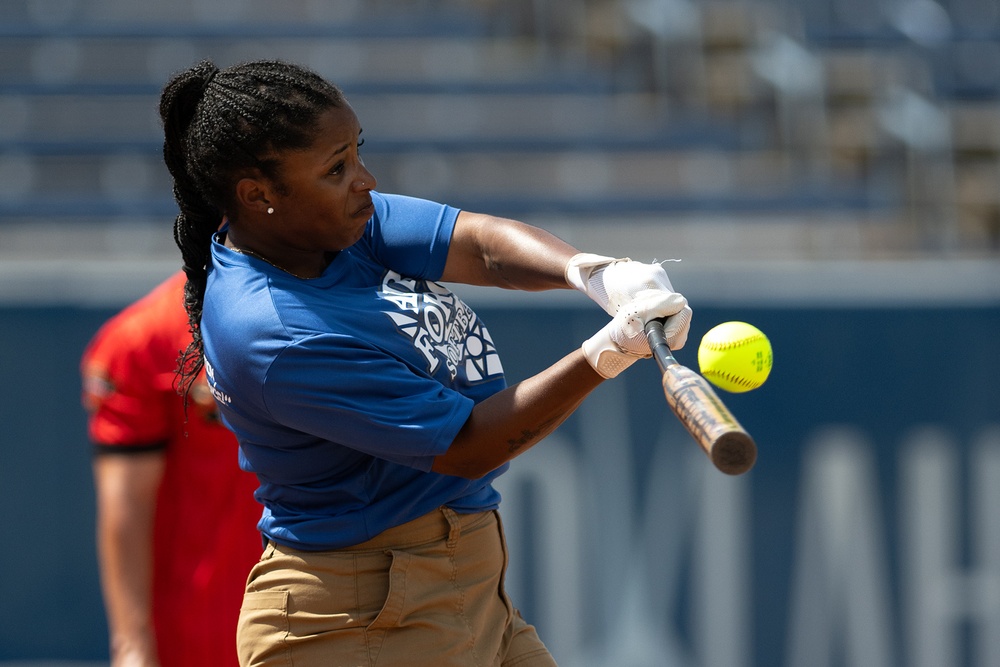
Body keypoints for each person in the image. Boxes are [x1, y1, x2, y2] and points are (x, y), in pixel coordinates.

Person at [158, 58, 693, 667]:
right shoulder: (277, 334)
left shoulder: (330, 225)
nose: (365, 180)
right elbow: (469, 445)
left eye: (356, 153)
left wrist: (595, 275)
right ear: (259, 196)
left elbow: (482, 248)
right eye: (337, 169)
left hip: (454, 586)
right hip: (360, 620)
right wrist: (606, 353)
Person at [81, 270, 263, 667]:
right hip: (202, 638)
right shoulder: (143, 338)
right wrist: (131, 646)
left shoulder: (355, 312)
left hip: (333, 625)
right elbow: (125, 505)